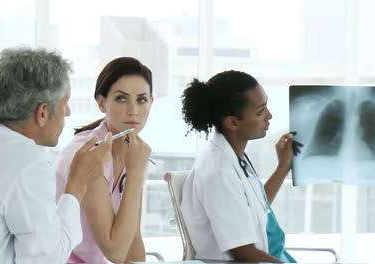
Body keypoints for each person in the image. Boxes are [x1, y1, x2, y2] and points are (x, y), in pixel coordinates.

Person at [0, 47, 112, 264]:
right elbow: (47, 259)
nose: (69, 112)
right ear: (42, 113)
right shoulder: (26, 160)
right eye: (65, 102)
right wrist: (76, 184)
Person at [180, 70, 299, 263]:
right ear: (233, 122)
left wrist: (283, 167)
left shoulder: (233, 156)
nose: (269, 116)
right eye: (260, 112)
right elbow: (244, 254)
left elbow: (253, 209)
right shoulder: (219, 172)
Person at [55, 57, 153, 263]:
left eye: (142, 99)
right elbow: (115, 251)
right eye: (121, 98)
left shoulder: (135, 152)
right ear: (101, 103)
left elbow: (132, 240)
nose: (133, 110)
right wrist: (135, 174)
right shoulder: (88, 154)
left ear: (151, 102)